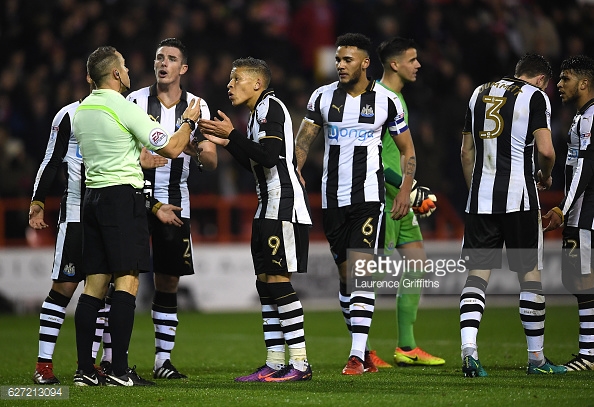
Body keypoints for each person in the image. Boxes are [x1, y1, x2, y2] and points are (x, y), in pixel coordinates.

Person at [72, 45, 201, 386]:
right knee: (127, 281)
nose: (129, 71)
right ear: (115, 74)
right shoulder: (124, 106)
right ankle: (118, 371)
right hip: (122, 199)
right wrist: (188, 121)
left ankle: (85, 370)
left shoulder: (83, 109)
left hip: (93, 198)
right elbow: (172, 148)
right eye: (125, 67)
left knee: (94, 285)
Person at [29, 78, 169, 385]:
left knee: (104, 287)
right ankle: (44, 365)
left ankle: (95, 367)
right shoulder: (69, 114)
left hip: (105, 208)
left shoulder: (120, 111)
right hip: (78, 211)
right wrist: (38, 199)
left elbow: (130, 165)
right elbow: (51, 159)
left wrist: (153, 202)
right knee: (65, 287)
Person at [294, 33, 416, 375]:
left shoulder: (386, 100)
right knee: (346, 277)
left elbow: (408, 150)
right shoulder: (322, 96)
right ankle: (362, 350)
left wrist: (405, 189)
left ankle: (356, 354)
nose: (340, 65)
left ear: (365, 63)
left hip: (369, 198)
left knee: (361, 272)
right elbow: (304, 140)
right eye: (337, 59)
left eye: (347, 60)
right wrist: (296, 169)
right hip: (332, 200)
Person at [198, 56, 313, 382]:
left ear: (257, 84)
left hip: (283, 206)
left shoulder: (271, 107)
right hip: (267, 207)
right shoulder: (255, 115)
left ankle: (301, 363)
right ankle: (275, 361)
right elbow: (256, 162)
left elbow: (270, 157)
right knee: (264, 283)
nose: (229, 85)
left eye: (236, 79)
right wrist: (229, 142)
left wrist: (233, 136)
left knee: (277, 280)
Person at [459, 53, 566, 377]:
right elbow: (546, 150)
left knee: (477, 276)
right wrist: (545, 175)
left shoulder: (478, 92)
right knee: (529, 275)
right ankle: (536, 359)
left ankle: (469, 350)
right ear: (541, 80)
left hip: (481, 198)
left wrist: (476, 190)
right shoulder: (535, 97)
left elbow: (466, 152)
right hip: (520, 198)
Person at [126, 37, 217, 380]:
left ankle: (162, 361)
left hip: (177, 205)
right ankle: (109, 359)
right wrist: (140, 157)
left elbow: (211, 160)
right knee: (123, 278)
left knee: (168, 282)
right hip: (136, 201)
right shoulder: (135, 100)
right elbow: (123, 149)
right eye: (159, 57)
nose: (163, 63)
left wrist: (198, 149)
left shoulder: (197, 106)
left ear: (184, 68)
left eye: (171, 58)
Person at [367, 36, 444, 368]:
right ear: (395, 64)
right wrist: (408, 191)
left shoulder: (397, 98)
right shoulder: (380, 101)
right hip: (382, 199)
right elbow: (374, 159)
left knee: (417, 263)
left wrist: (410, 191)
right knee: (367, 276)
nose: (418, 65)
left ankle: (407, 347)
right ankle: (362, 351)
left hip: (400, 197)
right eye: (412, 59)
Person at [542, 55, 594, 371]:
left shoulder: (590, 118)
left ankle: (589, 355)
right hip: (580, 212)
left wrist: (564, 207)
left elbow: (586, 168)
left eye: (566, 78)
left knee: (583, 280)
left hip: (586, 214)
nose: (559, 85)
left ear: (584, 82)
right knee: (576, 279)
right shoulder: (580, 116)